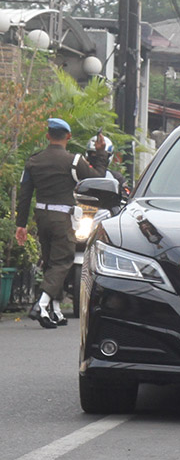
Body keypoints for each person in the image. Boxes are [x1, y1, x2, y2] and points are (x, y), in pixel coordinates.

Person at [14, 118, 102, 328]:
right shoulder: (74, 161)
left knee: (50, 262)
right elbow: (97, 180)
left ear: (47, 136)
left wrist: (21, 224)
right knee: (63, 261)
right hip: (62, 218)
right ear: (68, 137)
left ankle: (54, 311)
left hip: (41, 216)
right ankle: (41, 305)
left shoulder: (33, 161)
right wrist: (100, 154)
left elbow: (25, 195)